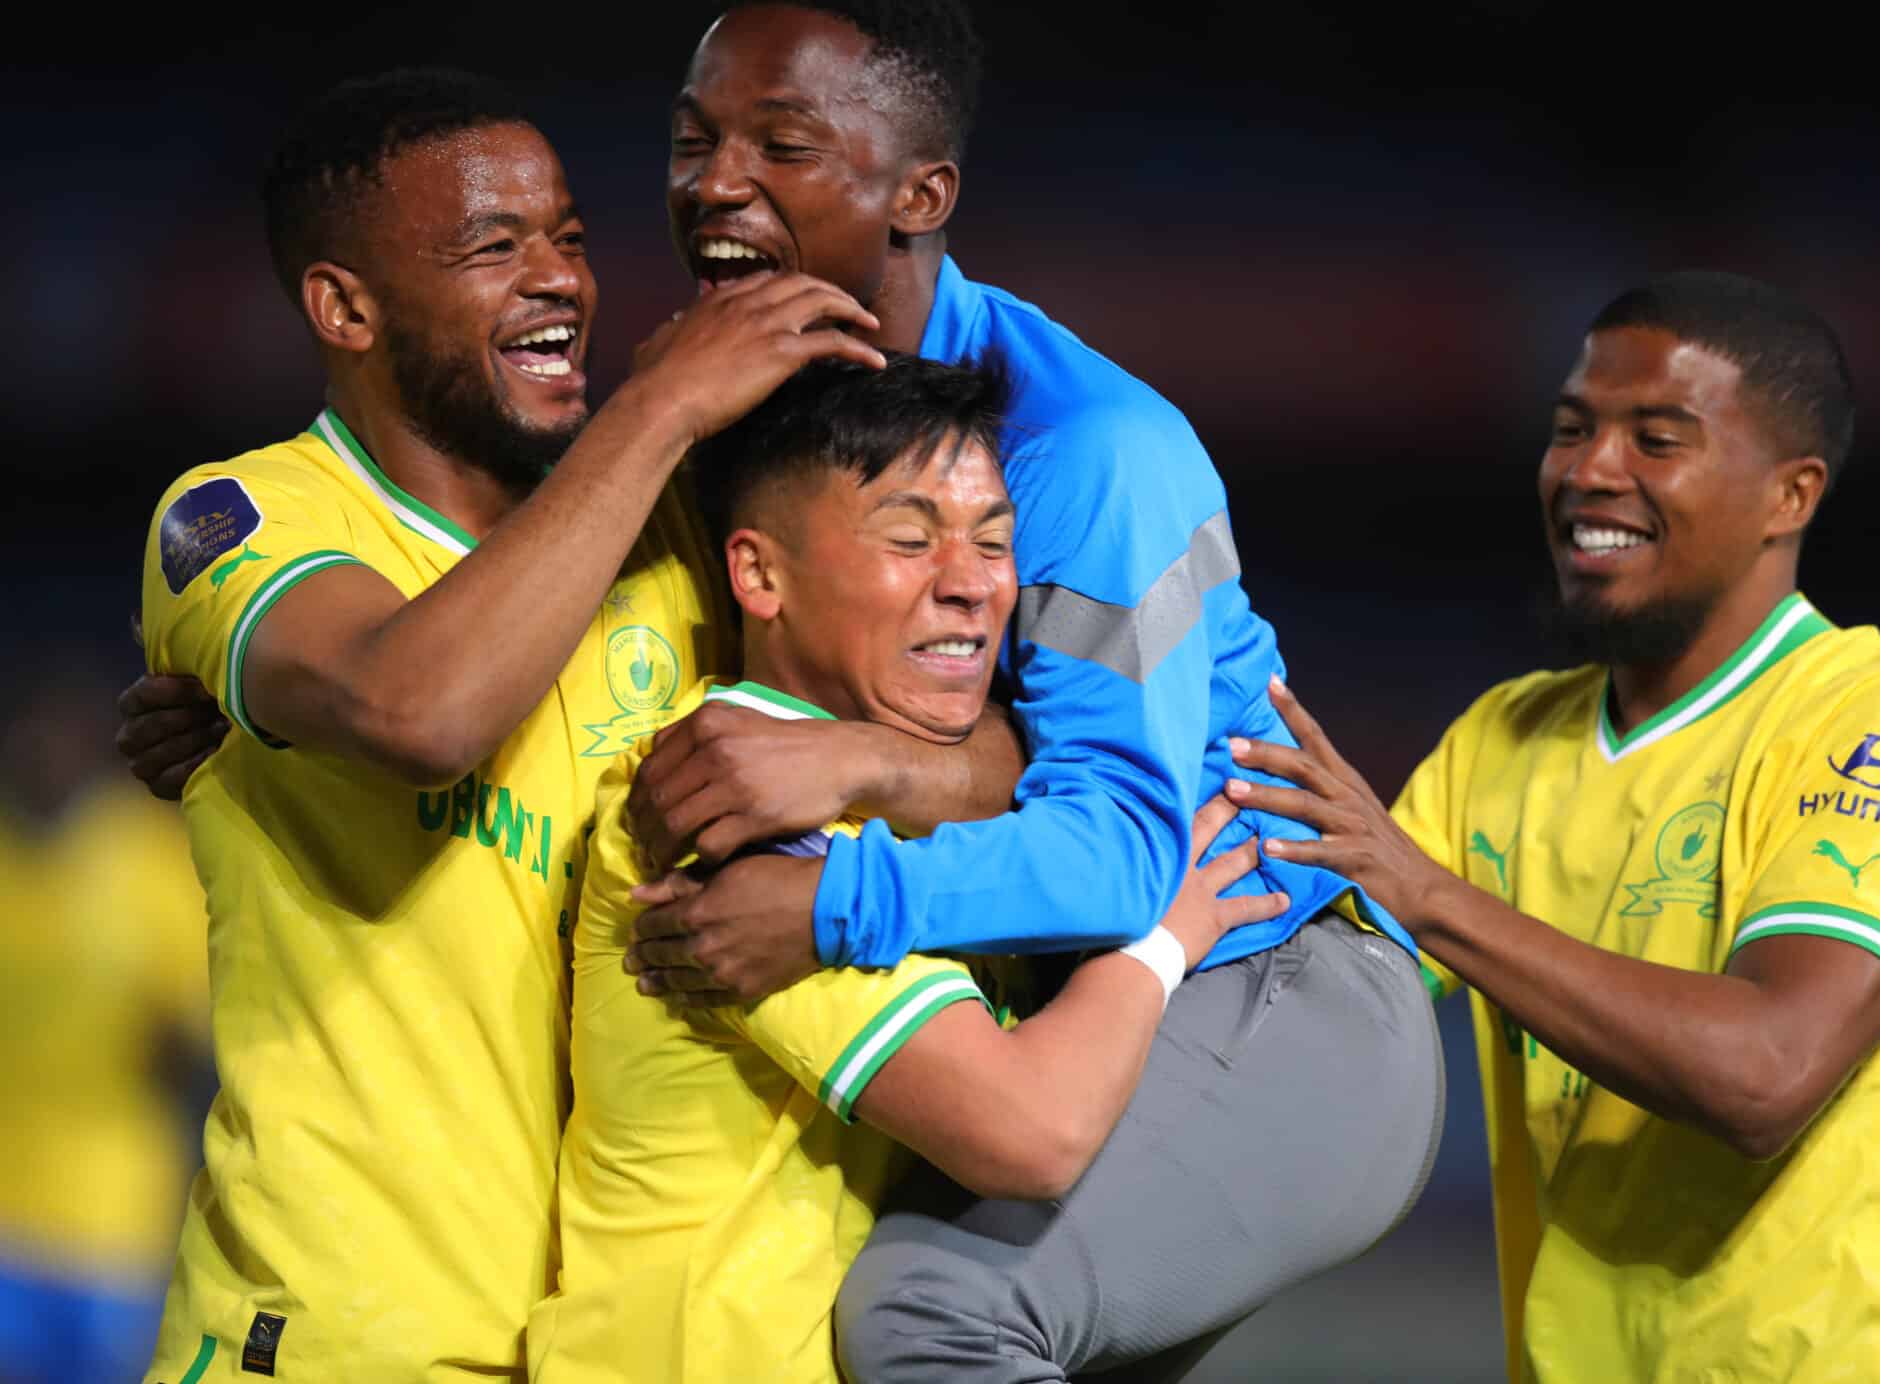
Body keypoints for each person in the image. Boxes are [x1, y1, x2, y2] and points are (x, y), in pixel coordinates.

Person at [609, 3, 1444, 1377]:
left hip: (1261, 987)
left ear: (919, 194)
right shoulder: (728, 411)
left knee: (931, 1316)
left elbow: (1130, 850)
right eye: (695, 141)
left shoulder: (1087, 455)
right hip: (1082, 1005)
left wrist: (834, 900)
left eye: (782, 145)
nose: (716, 182)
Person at [135, 67, 896, 1380]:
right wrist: (657, 406)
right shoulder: (241, 518)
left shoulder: (676, 535)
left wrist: (861, 756)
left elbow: (986, 733)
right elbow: (417, 707)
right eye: (495, 248)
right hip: (331, 1338)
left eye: (571, 239)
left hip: (617, 1345)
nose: (560, 279)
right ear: (345, 306)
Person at [1225, 272, 1880, 1383]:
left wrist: (1433, 897)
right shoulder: (1498, 741)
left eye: (1655, 437)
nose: (1590, 469)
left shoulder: (1878, 723)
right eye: (1570, 428)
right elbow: (1301, 1009)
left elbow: (1764, 1073)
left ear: (1789, 495)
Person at [529, 353, 1283, 1383]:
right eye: (909, 539)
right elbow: (1030, 1130)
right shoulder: (723, 813)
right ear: (758, 574)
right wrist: (1161, 933)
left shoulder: (906, 793)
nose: (971, 584)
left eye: (993, 542)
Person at [0, 651, 210, 1384]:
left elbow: (198, 1040)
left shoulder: (151, 861)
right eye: (32, 733)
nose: (45, 753)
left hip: (114, 1220)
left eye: (64, 736)